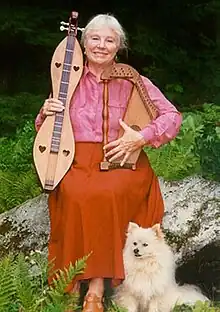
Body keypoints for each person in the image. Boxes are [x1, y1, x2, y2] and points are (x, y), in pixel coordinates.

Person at [35, 13, 182, 312]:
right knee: (75, 194)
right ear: (83, 44)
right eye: (95, 38)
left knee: (108, 194)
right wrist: (45, 112)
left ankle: (97, 287)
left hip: (122, 161)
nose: (101, 45)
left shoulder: (132, 80)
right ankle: (71, 280)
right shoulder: (67, 78)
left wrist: (140, 138)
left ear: (119, 47)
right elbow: (45, 130)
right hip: (73, 159)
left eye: (110, 40)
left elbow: (172, 117)